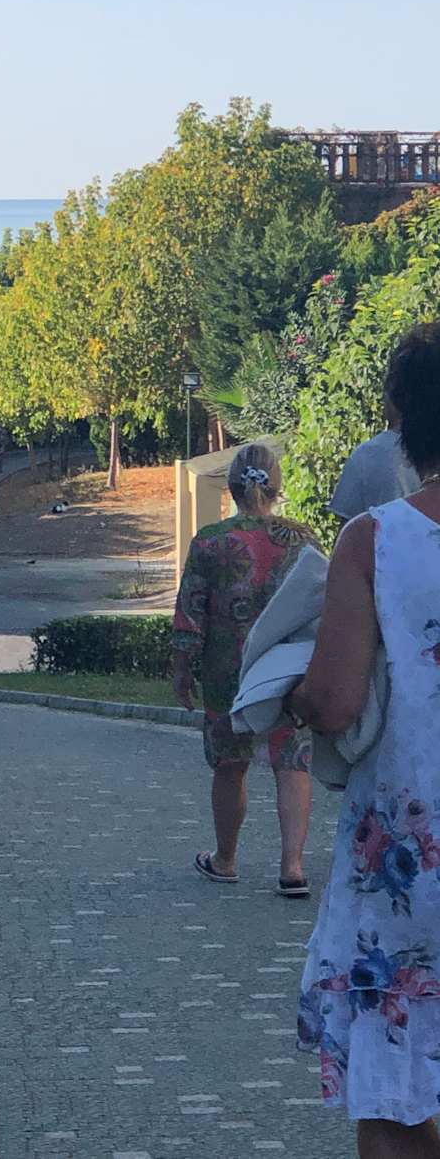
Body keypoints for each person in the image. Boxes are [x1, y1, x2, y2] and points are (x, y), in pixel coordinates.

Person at [291, 323, 440, 1156]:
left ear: (404, 421)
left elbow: (335, 700)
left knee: (392, 1089)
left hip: (410, 863)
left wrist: (290, 695)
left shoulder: (376, 539)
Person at [171, 442, 317, 895]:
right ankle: (292, 867)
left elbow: (190, 612)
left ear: (232, 487)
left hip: (227, 672)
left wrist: (182, 669)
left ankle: (226, 859)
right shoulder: (302, 540)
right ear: (276, 486)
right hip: (288, 668)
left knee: (230, 765)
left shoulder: (210, 542)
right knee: (292, 762)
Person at [330, 392, 421, 522]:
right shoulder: (430, 450)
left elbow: (347, 524)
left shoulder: (366, 454)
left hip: (378, 534)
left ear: (391, 402)